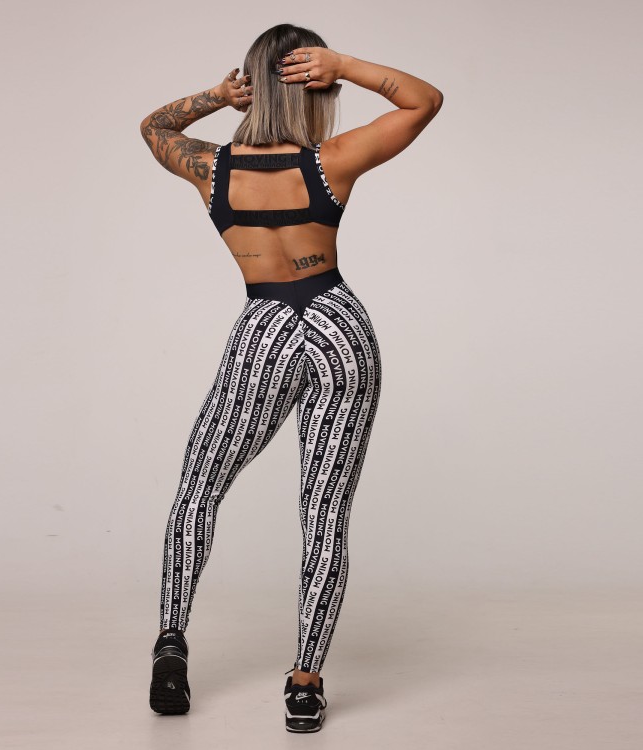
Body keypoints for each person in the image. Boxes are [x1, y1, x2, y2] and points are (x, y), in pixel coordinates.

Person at [139, 23, 443, 733]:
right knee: (325, 511)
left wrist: (217, 96)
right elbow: (424, 100)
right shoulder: (332, 161)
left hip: (265, 327)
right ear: (318, 89)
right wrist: (345, 63)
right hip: (338, 324)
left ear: (251, 87)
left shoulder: (210, 167)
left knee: (197, 488)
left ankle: (171, 647)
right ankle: (305, 684)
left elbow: (153, 126)